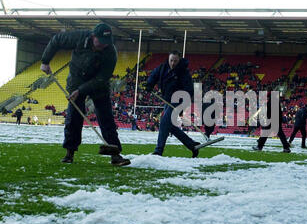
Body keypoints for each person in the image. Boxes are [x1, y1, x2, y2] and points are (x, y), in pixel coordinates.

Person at [40, 23, 130, 166]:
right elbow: (57, 40)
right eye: (100, 42)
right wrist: (45, 61)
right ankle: (69, 152)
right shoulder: (79, 37)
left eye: (106, 43)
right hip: (76, 78)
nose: (103, 45)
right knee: (74, 117)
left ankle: (115, 155)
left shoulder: (110, 52)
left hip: (98, 84)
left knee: (106, 119)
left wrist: (81, 91)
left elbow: (102, 78)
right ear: (93, 36)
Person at [145, 51, 200, 157]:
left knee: (164, 122)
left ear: (179, 60)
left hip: (179, 101)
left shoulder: (183, 72)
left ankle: (158, 150)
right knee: (169, 126)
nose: (173, 63)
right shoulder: (162, 68)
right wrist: (149, 84)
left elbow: (189, 89)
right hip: (167, 100)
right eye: (171, 60)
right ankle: (192, 145)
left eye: (175, 61)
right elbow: (154, 75)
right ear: (168, 59)